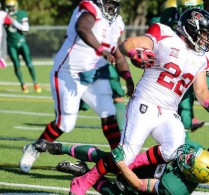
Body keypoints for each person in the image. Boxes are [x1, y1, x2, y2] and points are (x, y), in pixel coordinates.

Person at [68, 8, 209, 195]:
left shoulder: (203, 57)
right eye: (204, 33)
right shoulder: (164, 34)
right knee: (125, 154)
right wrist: (135, 52)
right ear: (191, 29)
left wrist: (208, 103)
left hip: (169, 111)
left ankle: (127, 170)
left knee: (173, 150)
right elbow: (127, 43)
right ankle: (82, 182)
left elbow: (201, 90)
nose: (206, 39)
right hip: (145, 102)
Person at [19, 0, 134, 174]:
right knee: (65, 123)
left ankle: (120, 164)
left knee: (109, 115)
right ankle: (34, 148)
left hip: (94, 75)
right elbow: (83, 28)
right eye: (109, 3)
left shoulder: (117, 23)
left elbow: (117, 54)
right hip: (67, 73)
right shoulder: (89, 7)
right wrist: (101, 50)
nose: (112, 8)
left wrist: (128, 77)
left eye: (115, 4)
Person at [160, 0, 209, 177]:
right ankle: (184, 161)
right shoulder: (168, 16)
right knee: (183, 117)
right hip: (180, 73)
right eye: (188, 10)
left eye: (196, 9)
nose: (193, 14)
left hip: (203, 72)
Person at [34, 138, 209, 194]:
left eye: (189, 160)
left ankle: (83, 171)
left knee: (119, 191)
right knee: (108, 159)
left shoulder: (175, 188)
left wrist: (121, 163)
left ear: (189, 175)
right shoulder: (196, 152)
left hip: (147, 184)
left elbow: (138, 184)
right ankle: (57, 147)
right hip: (153, 165)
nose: (186, 155)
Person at [4, 0, 42, 93]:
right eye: (9, 6)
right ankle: (22, 84)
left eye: (12, 6)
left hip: (21, 42)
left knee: (29, 63)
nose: (10, 8)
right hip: (11, 44)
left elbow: (25, 28)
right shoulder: (3, 15)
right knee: (16, 65)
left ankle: (35, 82)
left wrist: (13, 21)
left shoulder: (21, 14)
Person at [0, 3, 12, 68]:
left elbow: (8, 22)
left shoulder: (2, 14)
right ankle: (2, 62)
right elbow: (9, 22)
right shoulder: (2, 14)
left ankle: (2, 63)